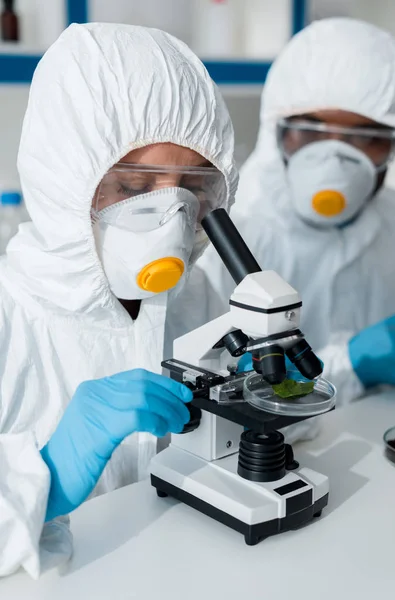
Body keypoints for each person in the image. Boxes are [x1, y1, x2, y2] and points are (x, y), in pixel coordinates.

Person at [0, 23, 237, 578]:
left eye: (194, 189)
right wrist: (43, 476)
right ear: (65, 176)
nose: (172, 217)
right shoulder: (10, 315)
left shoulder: (196, 295)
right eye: (134, 189)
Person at [198, 17, 395, 404]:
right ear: (278, 130)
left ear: (391, 145)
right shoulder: (223, 239)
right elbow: (214, 393)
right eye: (311, 131)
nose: (335, 160)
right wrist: (351, 364)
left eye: (366, 137)